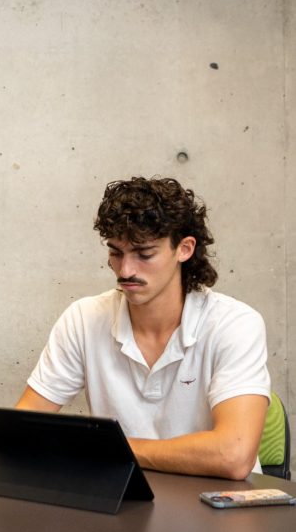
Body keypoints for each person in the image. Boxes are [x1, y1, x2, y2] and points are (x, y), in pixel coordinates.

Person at [17, 176, 270, 480]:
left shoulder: (234, 324)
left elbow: (233, 455)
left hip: (221, 506)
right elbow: (21, 431)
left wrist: (110, 448)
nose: (125, 271)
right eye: (115, 252)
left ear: (185, 249)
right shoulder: (84, 318)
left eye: (144, 254)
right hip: (127, 500)